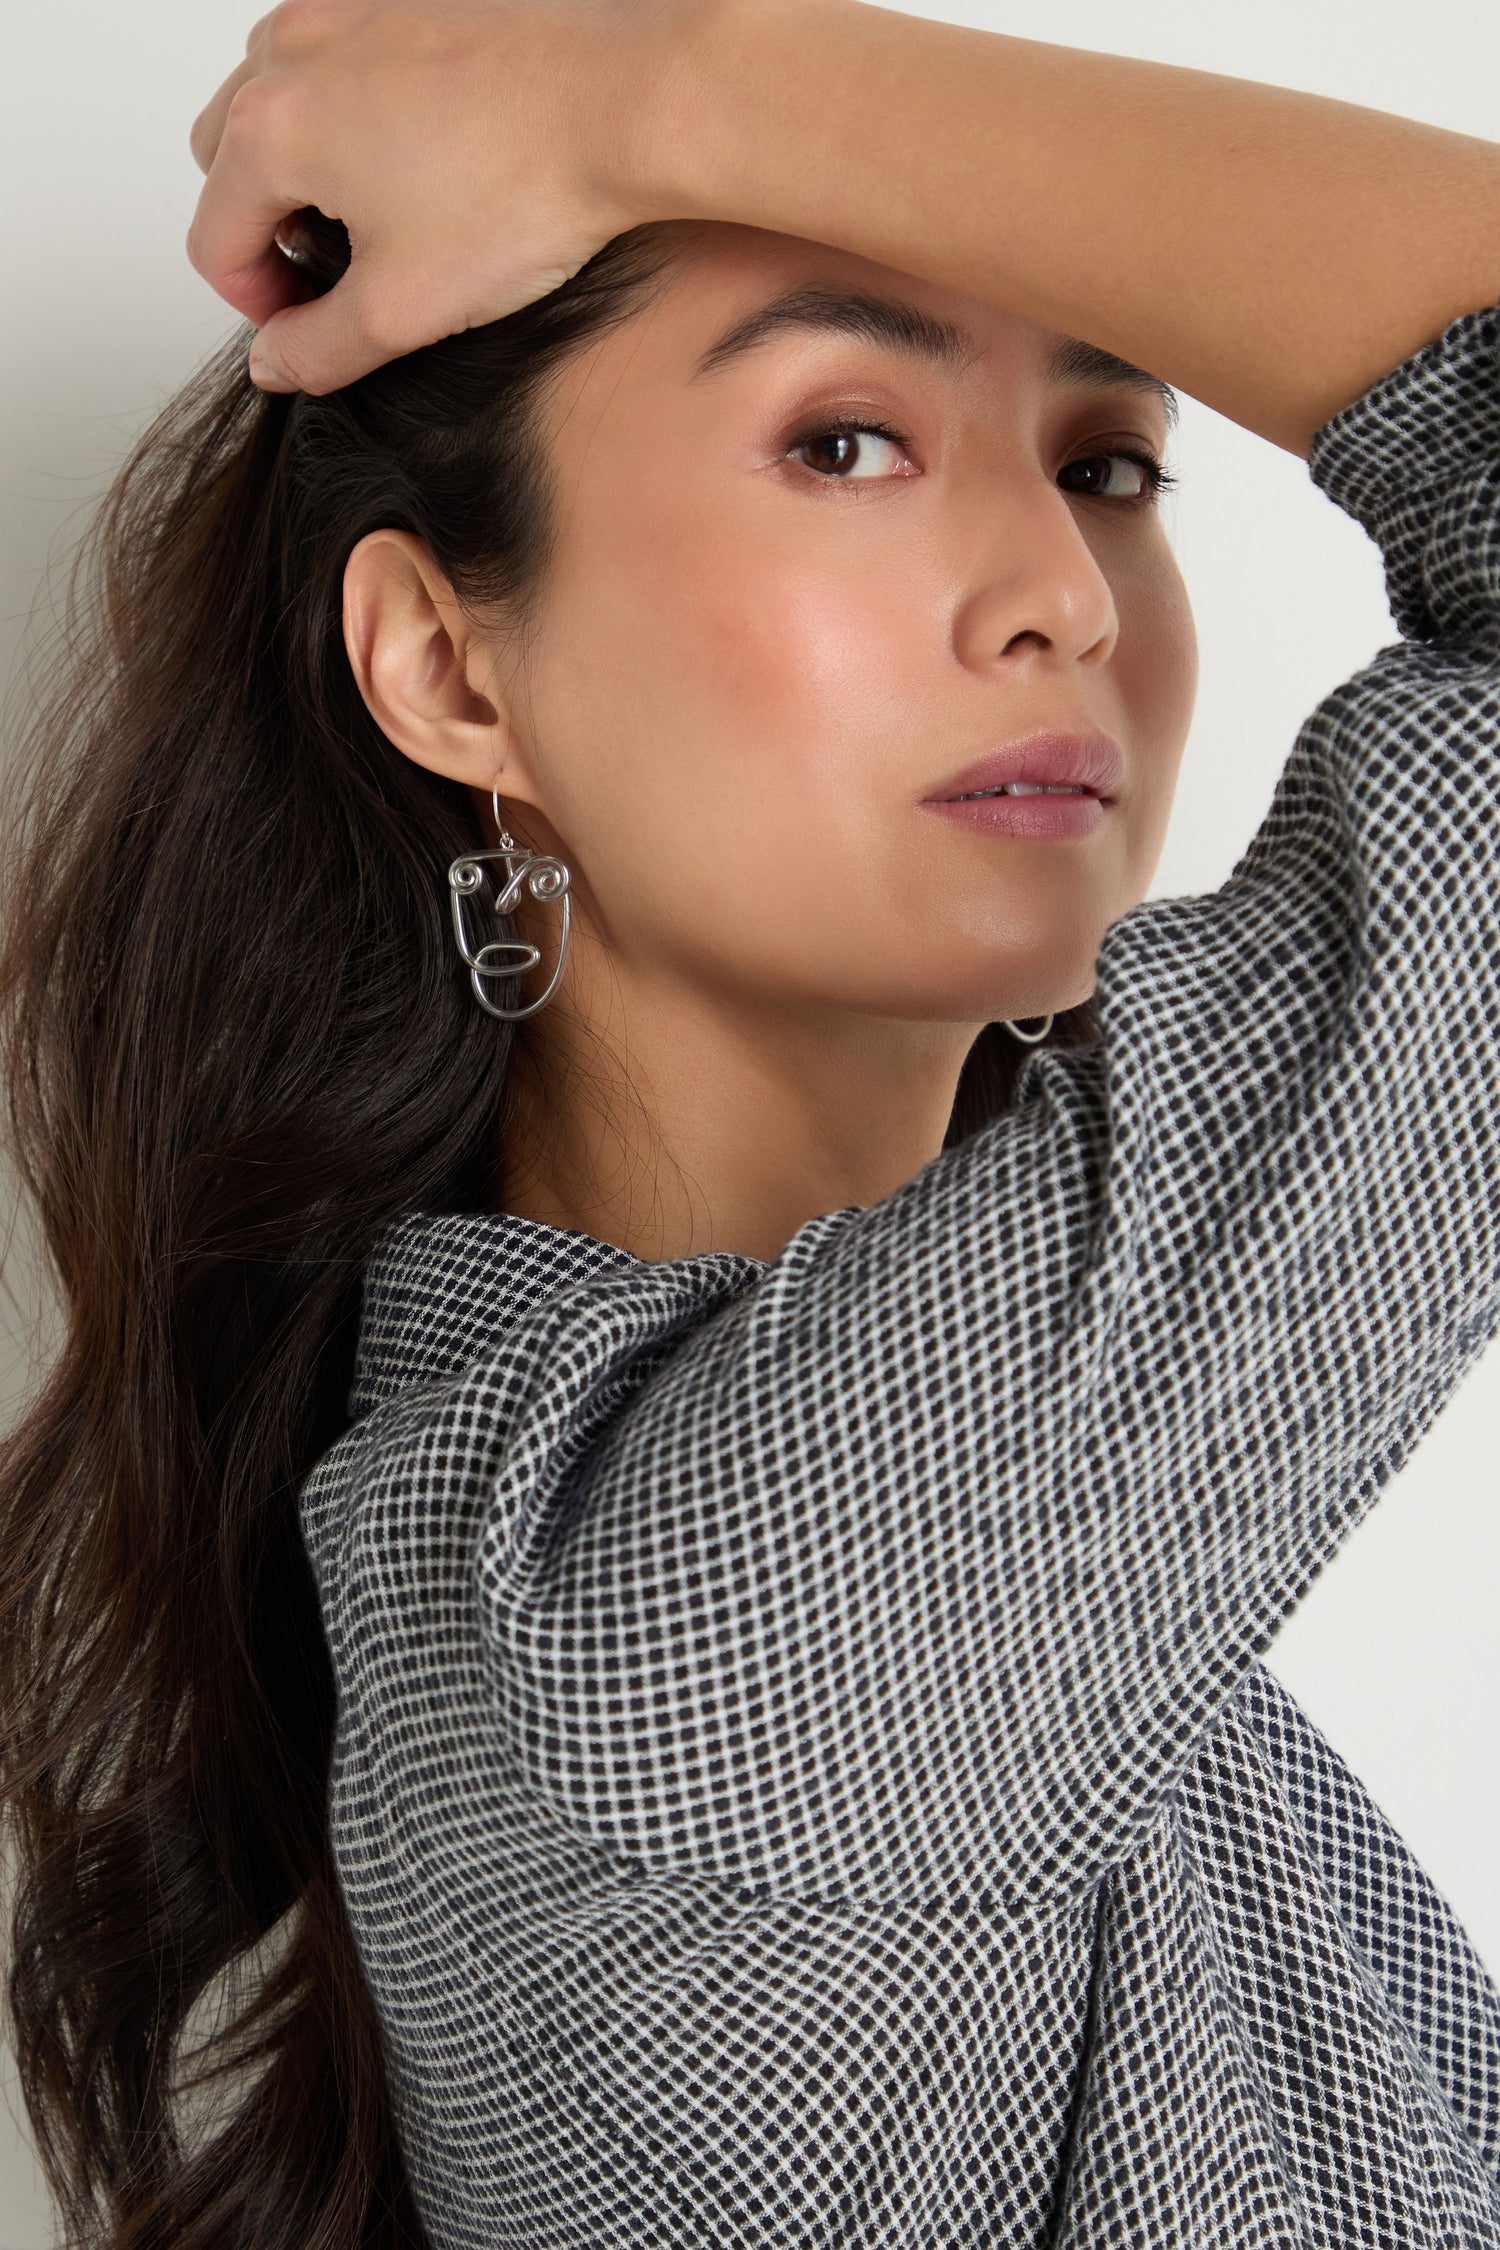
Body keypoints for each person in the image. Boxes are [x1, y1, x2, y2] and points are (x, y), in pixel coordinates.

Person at [2, 1, 1498, 2244]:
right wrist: (656, 82)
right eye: (846, 441)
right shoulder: (708, 1608)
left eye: (1108, 461)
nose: (1066, 598)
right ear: (450, 668)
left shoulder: (669, 1526)